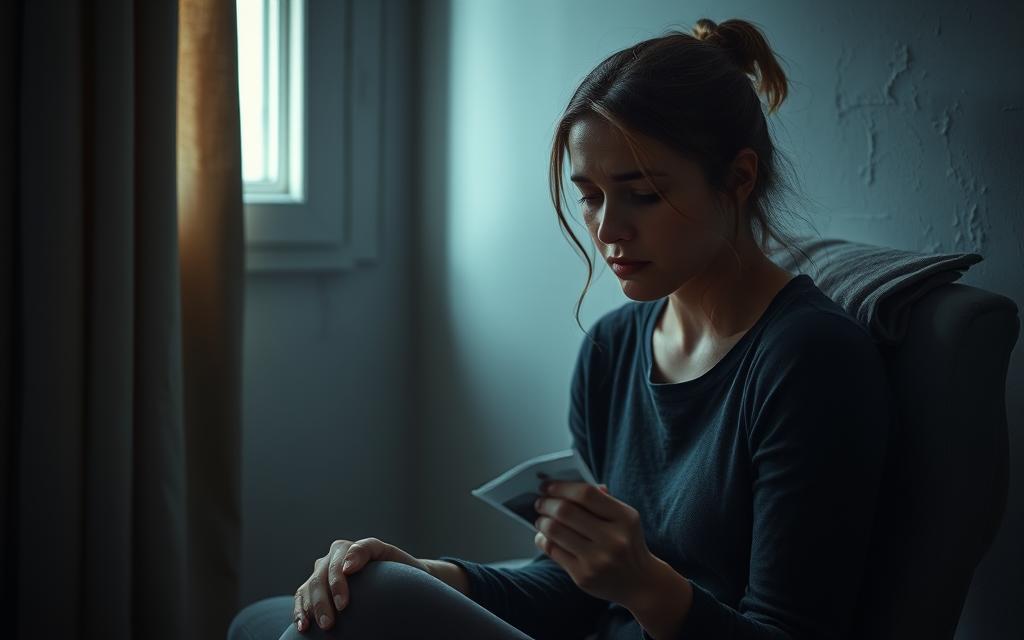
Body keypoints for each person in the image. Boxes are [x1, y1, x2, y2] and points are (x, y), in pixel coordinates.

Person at [228, 17, 893, 640]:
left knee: (365, 604)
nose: (608, 229)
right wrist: (431, 577)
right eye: (590, 196)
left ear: (739, 178)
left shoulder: (810, 360)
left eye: (642, 194)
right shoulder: (613, 347)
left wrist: (646, 585)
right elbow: (574, 591)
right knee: (271, 617)